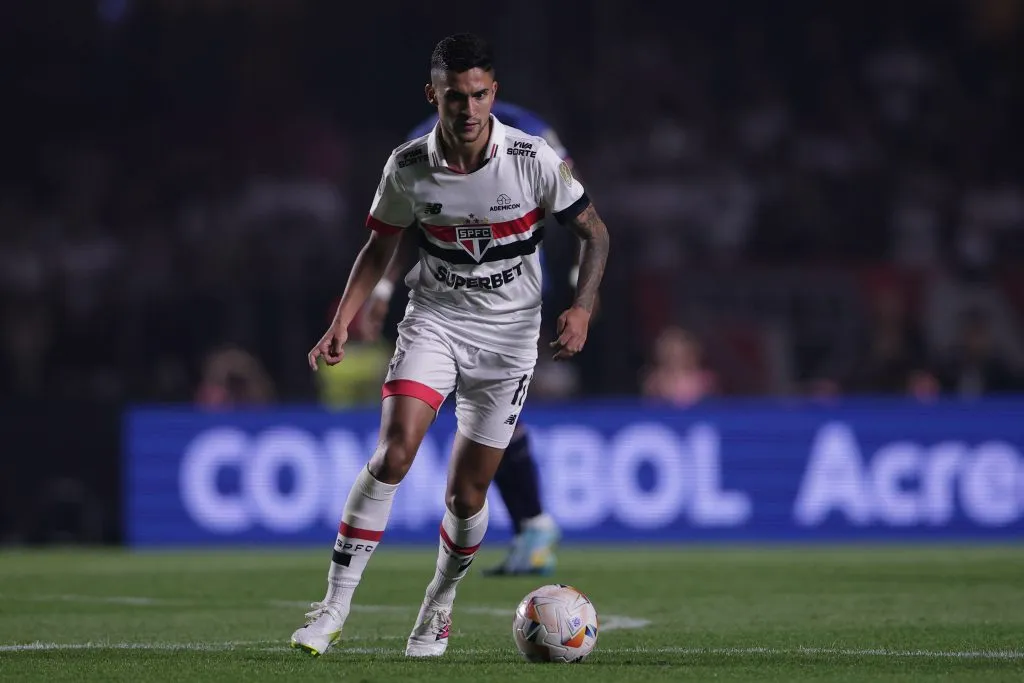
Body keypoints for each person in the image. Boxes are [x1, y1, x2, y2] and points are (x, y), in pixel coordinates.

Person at [290, 33, 610, 658]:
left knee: (466, 497)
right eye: (455, 96)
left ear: (494, 94)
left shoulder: (533, 159)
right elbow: (380, 246)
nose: (468, 109)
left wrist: (582, 307)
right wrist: (343, 318)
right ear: (432, 94)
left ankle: (437, 607)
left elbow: (595, 233)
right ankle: (332, 607)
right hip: (435, 319)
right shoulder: (407, 166)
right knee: (393, 454)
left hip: (510, 339)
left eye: (480, 95)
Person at [357, 100, 581, 577]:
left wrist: (582, 289)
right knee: (489, 414)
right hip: (452, 300)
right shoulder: (422, 144)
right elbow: (406, 226)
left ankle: (535, 523)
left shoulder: (528, 132)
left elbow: (576, 204)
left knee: (496, 410)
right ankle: (534, 524)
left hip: (513, 296)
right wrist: (381, 288)